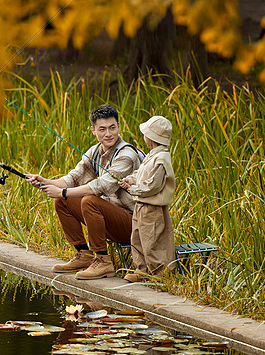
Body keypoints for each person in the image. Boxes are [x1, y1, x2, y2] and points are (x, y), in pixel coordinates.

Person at [27, 104, 143, 280]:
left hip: (134, 225)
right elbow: (73, 178)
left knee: (89, 200)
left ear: (119, 126)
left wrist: (62, 192)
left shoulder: (127, 154)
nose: (108, 134)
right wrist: (45, 181)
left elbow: (101, 186)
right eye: (102, 129)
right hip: (110, 218)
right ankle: (84, 255)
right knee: (63, 201)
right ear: (93, 131)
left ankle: (103, 261)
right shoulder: (95, 151)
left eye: (112, 127)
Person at [119, 115, 176, 282]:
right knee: (137, 238)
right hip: (140, 205)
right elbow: (141, 174)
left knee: (152, 240)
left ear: (151, 137)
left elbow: (153, 186)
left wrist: (133, 189)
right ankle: (141, 269)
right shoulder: (152, 155)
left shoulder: (161, 159)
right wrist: (129, 180)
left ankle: (160, 274)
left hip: (152, 208)